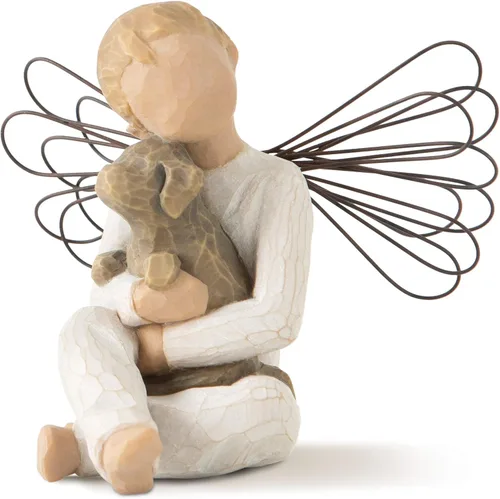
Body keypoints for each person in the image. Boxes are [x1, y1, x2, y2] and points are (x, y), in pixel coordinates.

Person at [36, 2, 313, 494]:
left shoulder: (277, 183)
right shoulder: (140, 169)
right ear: (137, 122)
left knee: (271, 414)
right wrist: (136, 300)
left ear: (230, 53)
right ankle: (121, 432)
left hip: (236, 379)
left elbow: (276, 318)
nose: (187, 97)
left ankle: (92, 442)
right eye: (160, 98)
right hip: (140, 368)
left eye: (198, 70)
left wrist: (162, 350)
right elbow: (103, 286)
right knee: (82, 326)